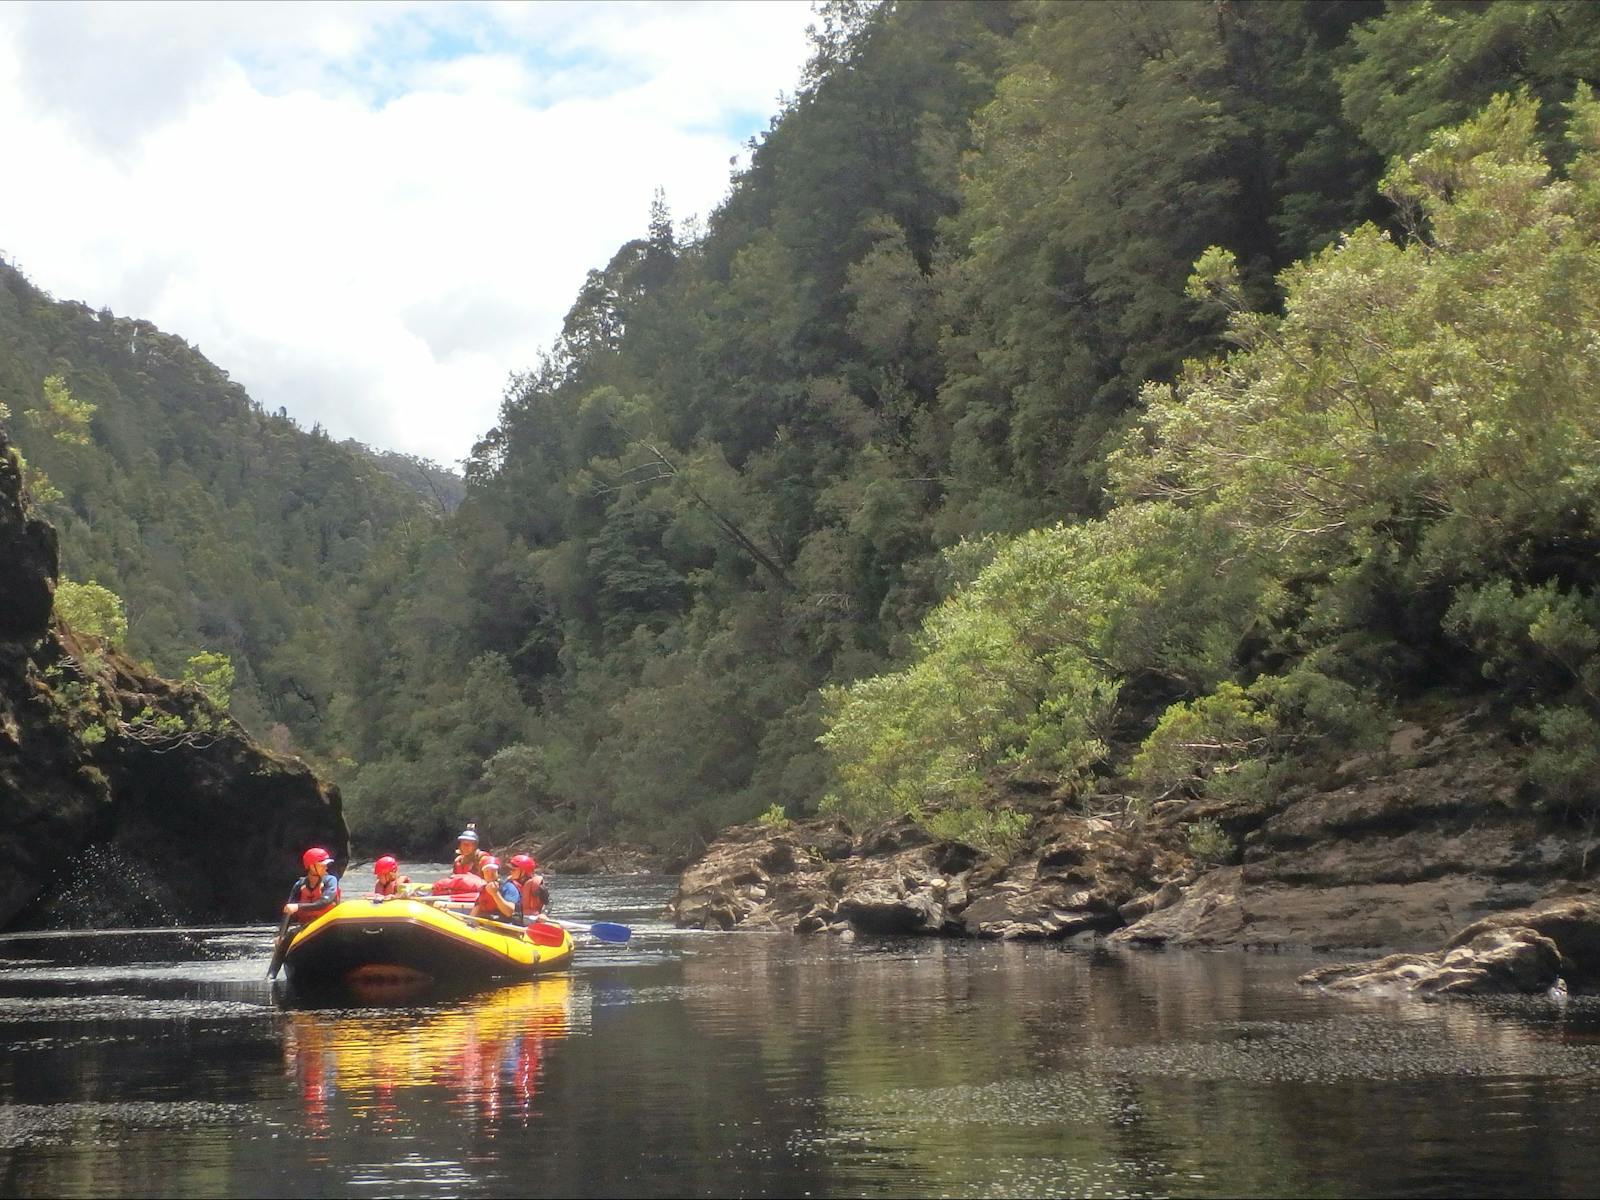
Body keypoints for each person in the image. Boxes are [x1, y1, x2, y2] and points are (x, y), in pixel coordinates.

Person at [284, 847, 341, 922]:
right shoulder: (299, 885)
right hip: (307, 928)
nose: (326, 867)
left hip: (327, 925)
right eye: (322, 865)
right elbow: (289, 911)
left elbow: (324, 903)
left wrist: (298, 906)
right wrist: (281, 933)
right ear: (312, 867)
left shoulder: (330, 880)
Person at [471, 856, 522, 925]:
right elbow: (476, 909)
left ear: (498, 872)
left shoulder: (509, 887)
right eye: (487, 871)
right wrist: (469, 922)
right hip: (488, 924)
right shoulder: (484, 889)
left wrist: (495, 894)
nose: (490, 874)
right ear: (483, 874)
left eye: (493, 871)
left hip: (506, 927)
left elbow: (508, 912)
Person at [509, 854, 549, 920]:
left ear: (524, 871)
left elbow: (548, 902)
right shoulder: (509, 884)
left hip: (533, 919)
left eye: (513, 870)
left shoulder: (537, 885)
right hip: (515, 919)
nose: (510, 872)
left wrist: (544, 914)